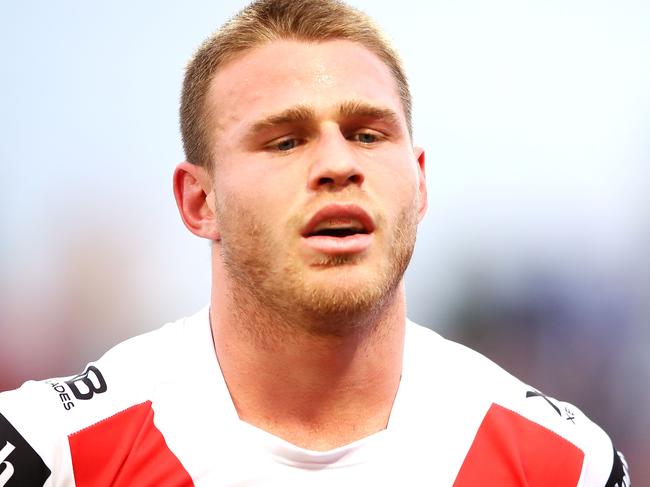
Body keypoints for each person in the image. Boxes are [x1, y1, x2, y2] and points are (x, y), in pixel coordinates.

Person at [0, 0, 630, 485]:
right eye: (285, 140)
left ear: (419, 182)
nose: (337, 164)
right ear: (199, 201)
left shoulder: (564, 463)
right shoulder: (52, 451)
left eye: (366, 133)